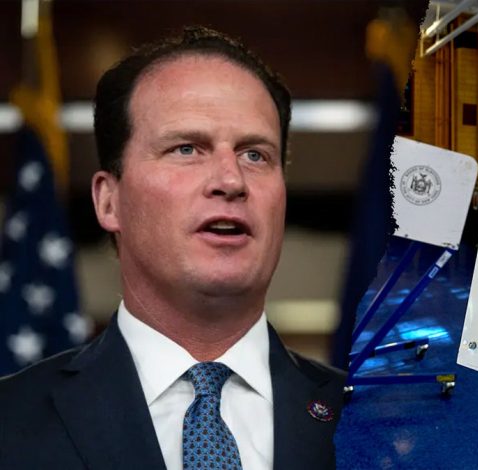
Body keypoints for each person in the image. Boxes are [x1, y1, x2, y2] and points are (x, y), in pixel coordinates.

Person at [0, 26, 345, 470]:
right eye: (187, 149)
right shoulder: (10, 425)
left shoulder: (388, 423)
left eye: (255, 155)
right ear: (109, 201)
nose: (230, 180)